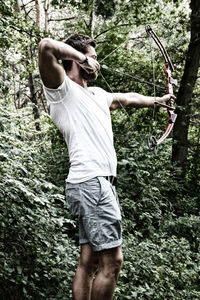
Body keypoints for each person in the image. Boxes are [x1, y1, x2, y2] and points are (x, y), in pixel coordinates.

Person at [38, 34, 174, 300]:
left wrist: (159, 100)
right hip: (92, 183)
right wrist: (83, 57)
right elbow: (46, 46)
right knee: (113, 263)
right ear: (76, 59)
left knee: (88, 263)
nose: (96, 63)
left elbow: (130, 97)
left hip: (98, 185)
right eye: (93, 57)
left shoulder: (98, 94)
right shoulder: (62, 90)